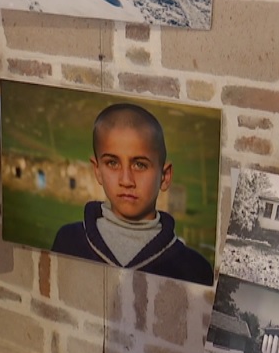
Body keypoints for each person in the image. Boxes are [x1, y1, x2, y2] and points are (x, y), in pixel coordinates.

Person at [51, 103, 214, 286]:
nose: (126, 180)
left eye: (140, 165)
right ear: (97, 170)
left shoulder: (193, 270)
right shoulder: (69, 241)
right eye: (112, 163)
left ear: (165, 176)